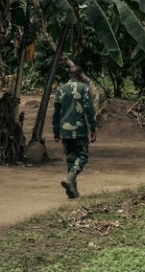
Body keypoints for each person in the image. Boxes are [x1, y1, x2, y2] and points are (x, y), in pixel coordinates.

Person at [52, 64, 97, 199]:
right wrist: (93, 128)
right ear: (81, 75)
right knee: (83, 157)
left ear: (69, 75)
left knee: (70, 159)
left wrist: (56, 130)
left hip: (64, 129)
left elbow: (56, 112)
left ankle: (73, 191)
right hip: (79, 129)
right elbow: (89, 110)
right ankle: (70, 178)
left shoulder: (61, 89)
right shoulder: (84, 88)